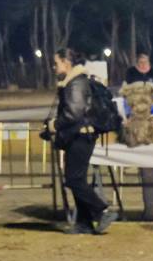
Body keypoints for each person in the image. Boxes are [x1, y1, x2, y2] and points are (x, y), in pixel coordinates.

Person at [50, 48, 117, 235]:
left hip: (80, 136)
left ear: (66, 62)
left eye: (57, 63)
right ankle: (85, 222)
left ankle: (102, 210)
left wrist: (54, 125)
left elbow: (73, 112)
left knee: (74, 179)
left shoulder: (76, 83)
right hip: (80, 135)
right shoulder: (74, 82)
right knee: (76, 178)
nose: (54, 67)